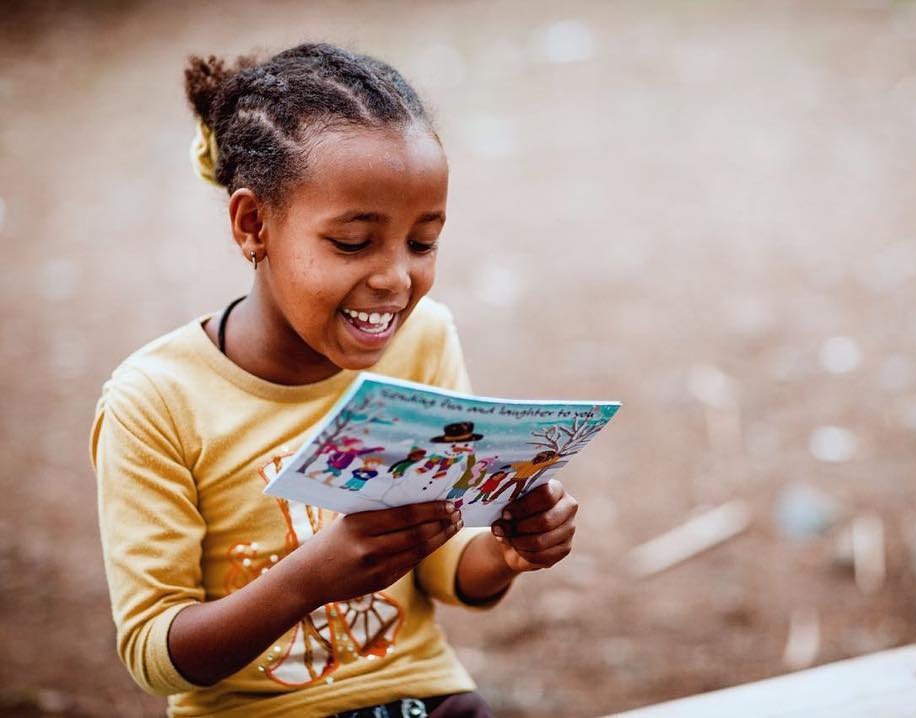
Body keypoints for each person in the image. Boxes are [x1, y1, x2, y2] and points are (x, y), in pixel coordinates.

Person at [90, 43, 579, 718]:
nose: (396, 279)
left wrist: (507, 552)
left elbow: (442, 563)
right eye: (353, 243)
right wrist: (306, 581)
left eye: (422, 241)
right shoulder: (156, 403)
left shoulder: (423, 339)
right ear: (252, 224)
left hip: (425, 698)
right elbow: (156, 655)